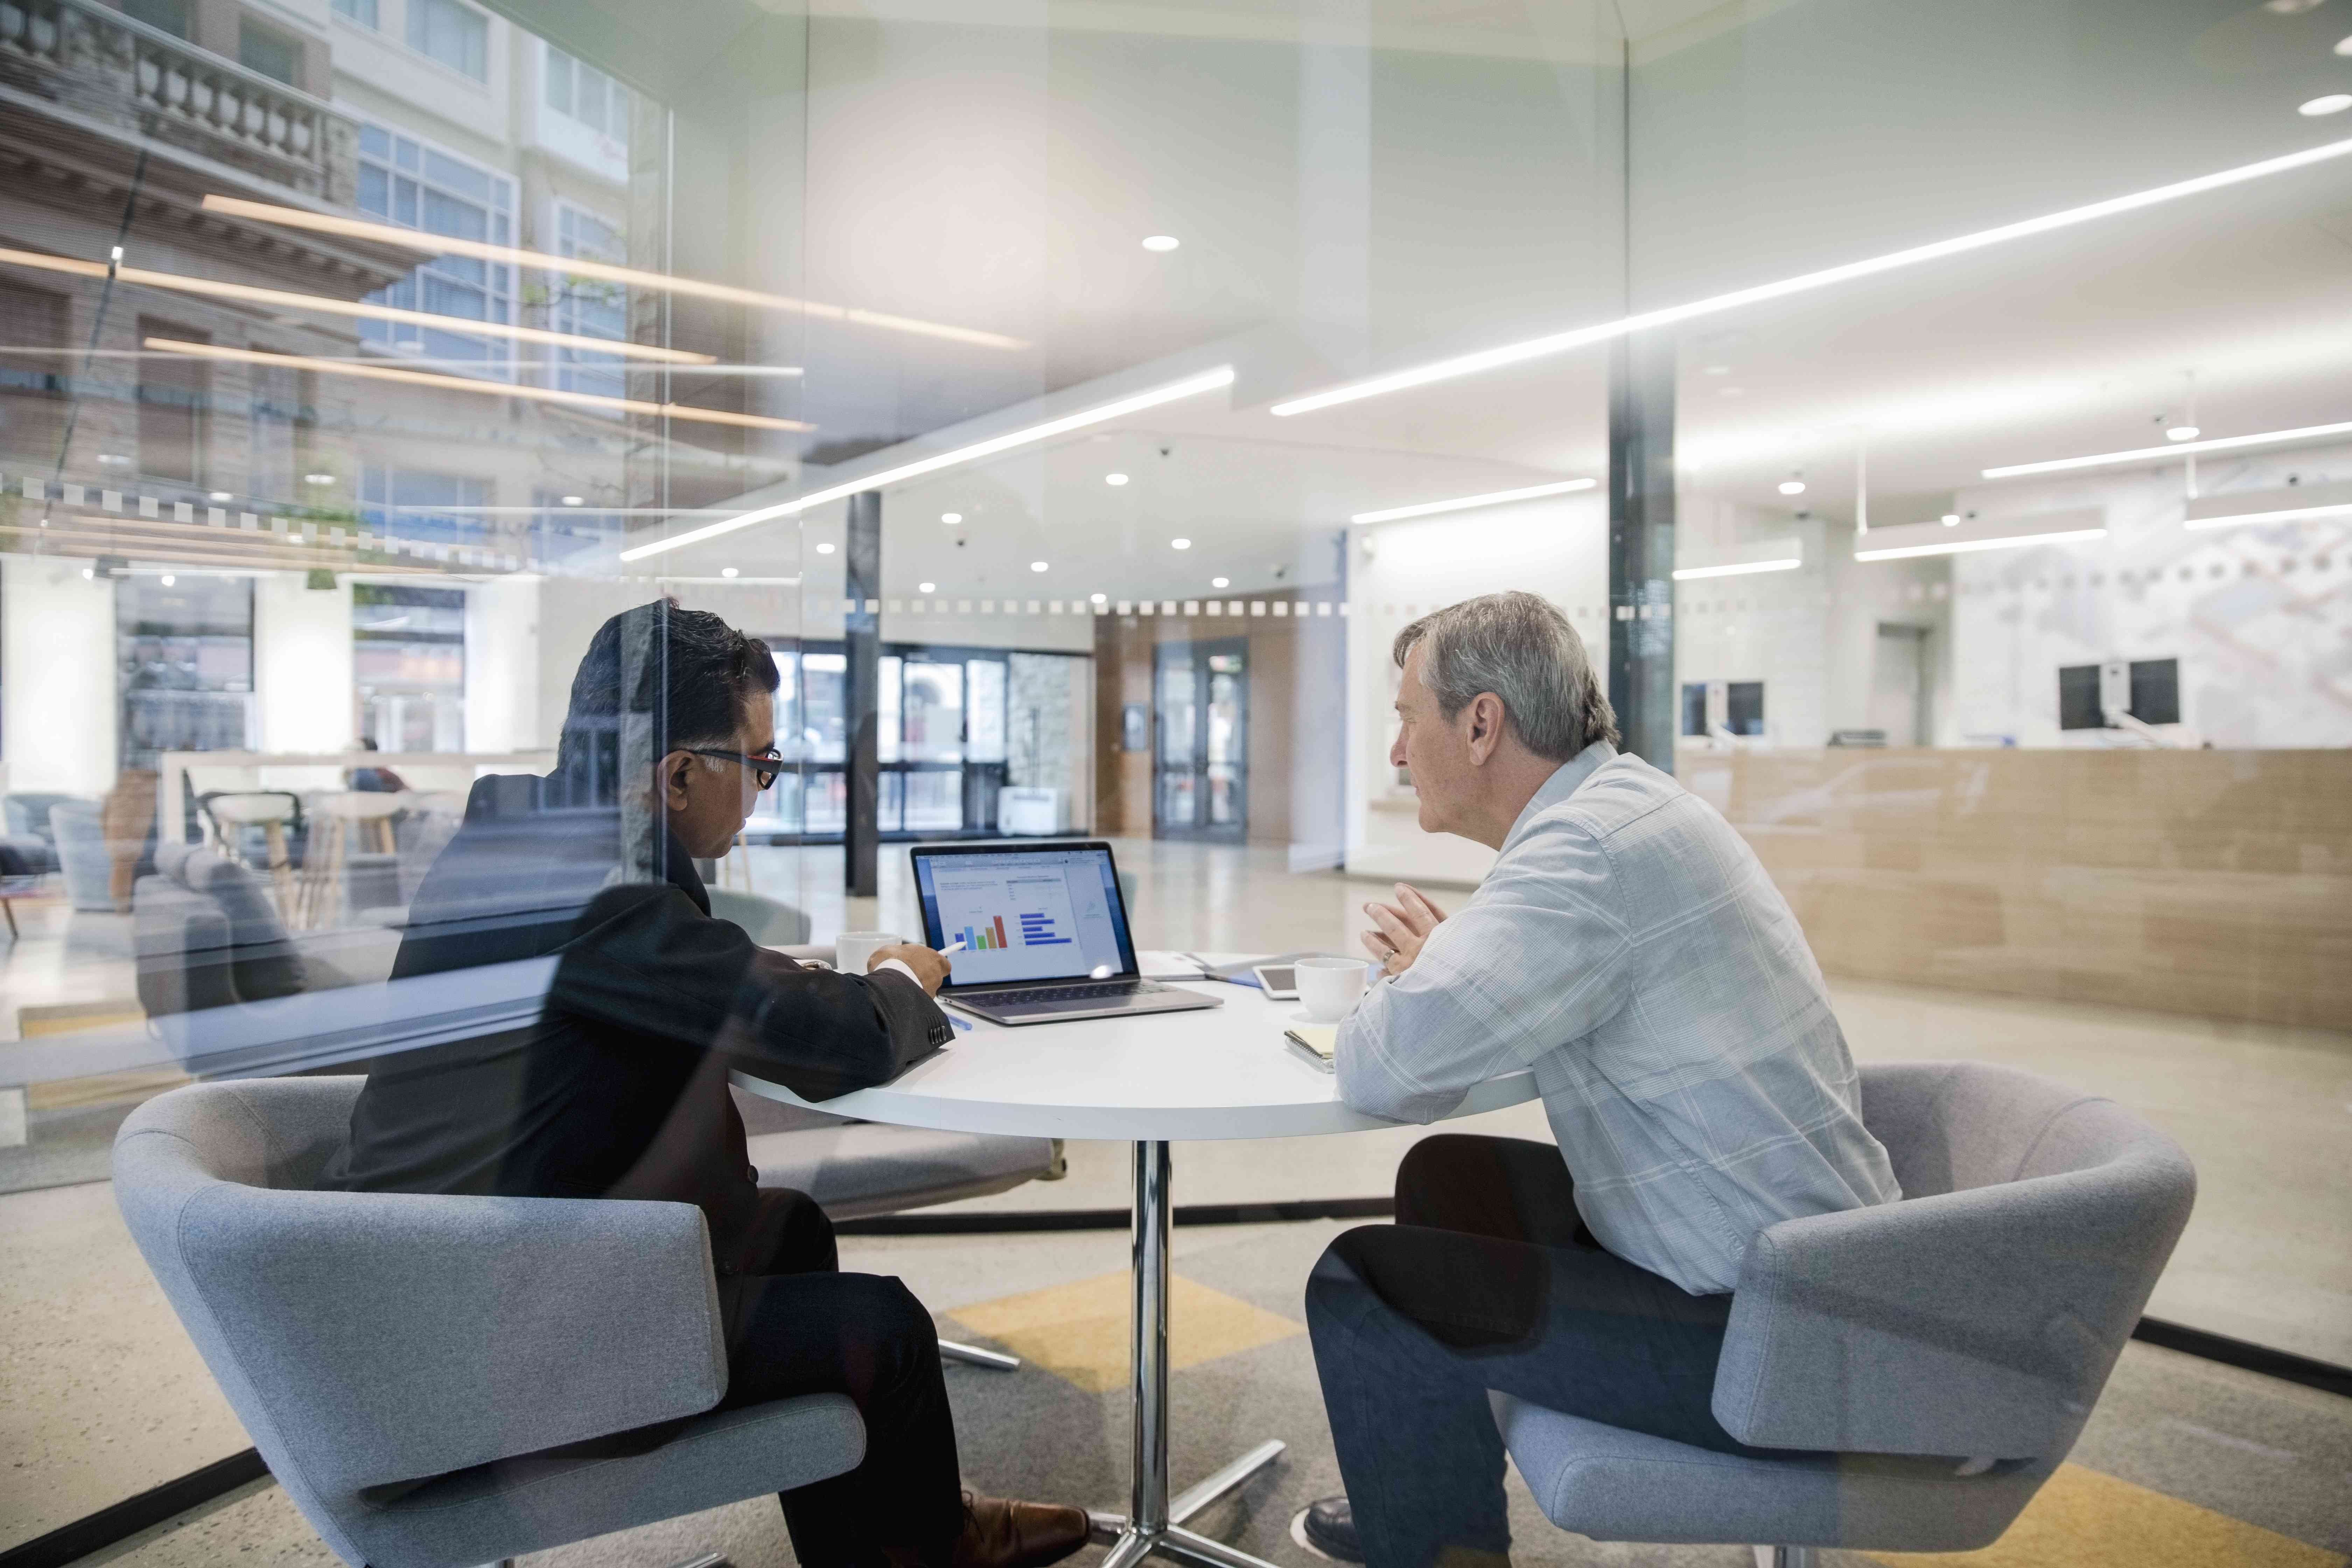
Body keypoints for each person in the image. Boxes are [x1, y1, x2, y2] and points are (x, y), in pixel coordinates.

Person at [321, 600, 1089, 1568]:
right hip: (484, 1325)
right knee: (886, 1326)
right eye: (759, 764)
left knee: (793, 1229)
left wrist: (768, 973)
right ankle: (939, 1541)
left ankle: (893, 1536)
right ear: (678, 775)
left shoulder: (527, 841)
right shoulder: (602, 896)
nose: (763, 789)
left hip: (455, 1260)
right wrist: (899, 979)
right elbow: (828, 1041)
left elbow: (672, 986)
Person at [1300, 591, 1900, 1568]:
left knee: (1364, 1285)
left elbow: (1381, 1065)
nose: (1401, 753)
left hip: (1774, 1339)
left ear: (1482, 723)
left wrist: (1419, 984)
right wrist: (1455, 979)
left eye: (1409, 720)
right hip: (1795, 1276)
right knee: (1450, 1179)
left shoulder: (1583, 852)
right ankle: (1425, 1504)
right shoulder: (1624, 812)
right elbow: (1533, 1001)